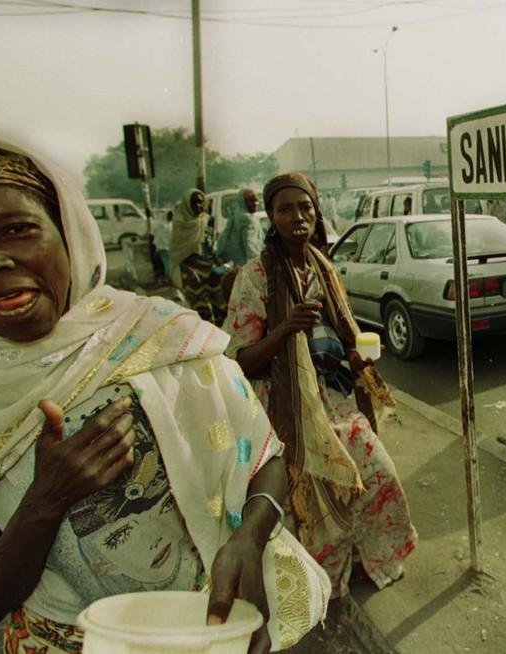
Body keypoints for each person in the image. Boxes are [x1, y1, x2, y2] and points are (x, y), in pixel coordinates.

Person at [0, 130, 330, 654]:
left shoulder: (163, 336)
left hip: (212, 630)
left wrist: (249, 537)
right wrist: (46, 500)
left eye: (16, 229)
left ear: (68, 231)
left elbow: (264, 456)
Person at [223, 172, 417, 599]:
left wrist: (356, 355)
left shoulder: (322, 267)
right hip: (286, 408)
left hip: (333, 398)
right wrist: (283, 331)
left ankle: (368, 560)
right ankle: (322, 587)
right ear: (272, 217)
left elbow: (340, 332)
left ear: (316, 211)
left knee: (377, 475)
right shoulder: (256, 277)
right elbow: (236, 359)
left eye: (304, 206)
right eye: (285, 209)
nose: (297, 216)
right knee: (315, 505)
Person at [170, 188, 230, 325]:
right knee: (202, 310)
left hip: (211, 270)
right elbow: (177, 252)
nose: (198, 206)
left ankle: (220, 335)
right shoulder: (180, 223)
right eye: (194, 203)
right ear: (187, 204)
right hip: (192, 274)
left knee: (220, 307)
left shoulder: (207, 221)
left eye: (201, 202)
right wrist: (188, 271)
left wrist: (219, 264)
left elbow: (210, 245)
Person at [215, 189, 263, 267]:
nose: (255, 203)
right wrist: (260, 265)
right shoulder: (248, 219)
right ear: (242, 202)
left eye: (256, 200)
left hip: (235, 264)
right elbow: (251, 247)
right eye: (251, 200)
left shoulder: (235, 216)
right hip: (247, 266)